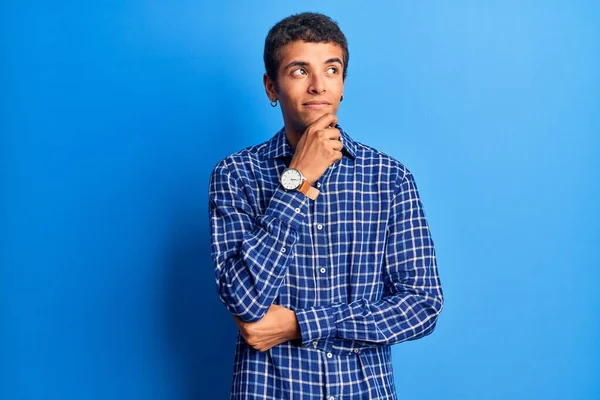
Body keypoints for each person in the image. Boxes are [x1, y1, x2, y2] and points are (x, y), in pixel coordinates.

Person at [209, 12, 443, 400]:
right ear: (272, 87)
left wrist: (302, 324)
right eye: (299, 71)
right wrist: (298, 179)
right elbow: (247, 302)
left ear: (343, 84)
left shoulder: (389, 178)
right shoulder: (236, 176)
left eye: (331, 70)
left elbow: (422, 305)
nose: (318, 85)